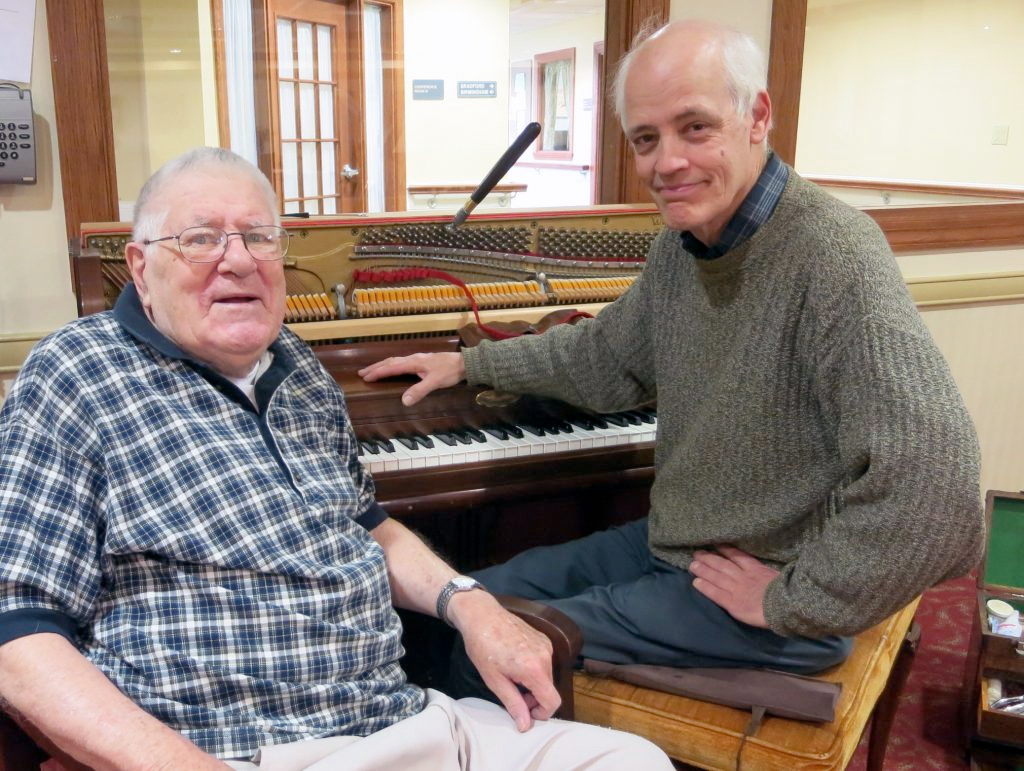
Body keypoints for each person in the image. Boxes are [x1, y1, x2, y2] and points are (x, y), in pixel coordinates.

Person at [359, 18, 985, 690]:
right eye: (647, 139)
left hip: (771, 595)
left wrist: (793, 599)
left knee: (497, 648)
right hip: (678, 548)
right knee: (461, 600)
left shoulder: (834, 256)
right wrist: (470, 364)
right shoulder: (682, 249)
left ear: (757, 116)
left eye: (695, 127)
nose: (667, 163)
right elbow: (604, 354)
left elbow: (941, 492)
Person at [0, 147, 673, 770]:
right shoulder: (75, 374)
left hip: (407, 719)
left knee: (634, 762)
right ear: (141, 266)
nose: (236, 260)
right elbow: (16, 633)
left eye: (258, 236)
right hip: (248, 750)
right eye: (201, 238)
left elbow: (370, 528)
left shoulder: (297, 367)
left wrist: (473, 605)